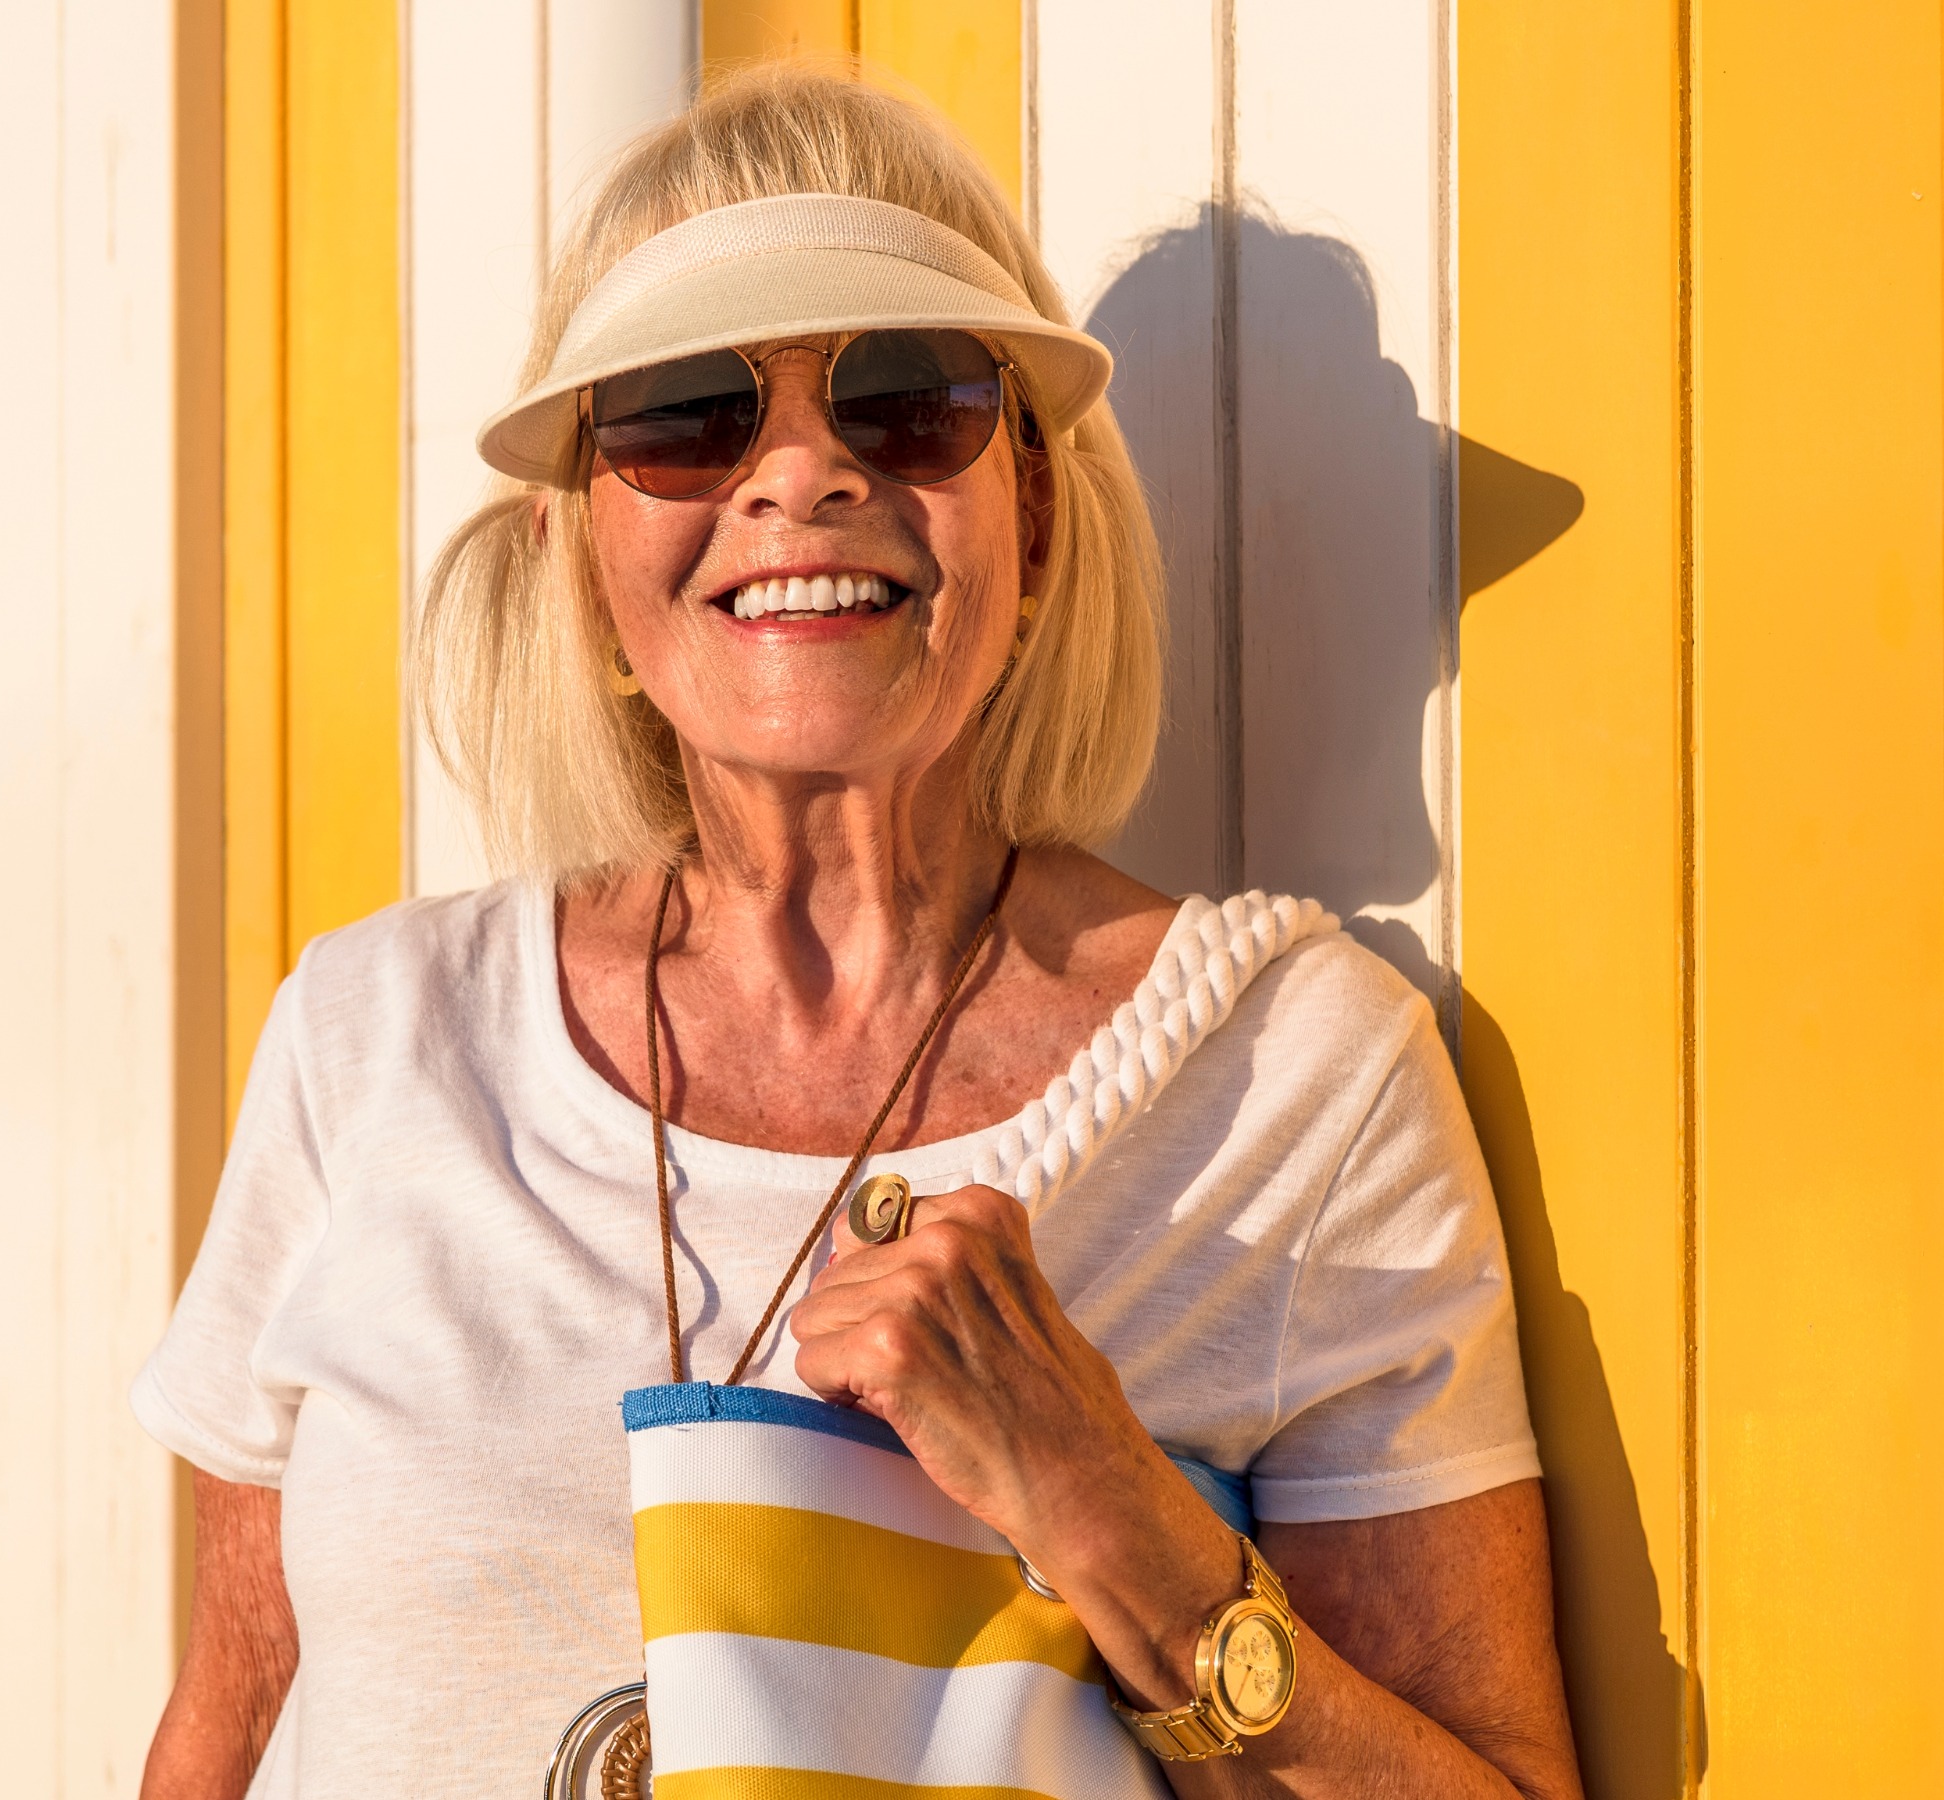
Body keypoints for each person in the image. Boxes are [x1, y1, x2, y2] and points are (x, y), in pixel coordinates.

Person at [135, 66, 1581, 1800]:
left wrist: (1109, 1506)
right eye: (686, 412)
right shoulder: (365, 1039)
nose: (803, 475)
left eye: (907, 398)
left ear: (1032, 524)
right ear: (580, 553)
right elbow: (221, 1733)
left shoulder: (1295, 1078)